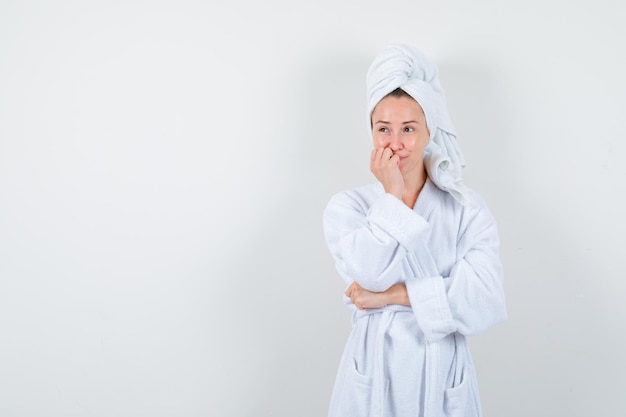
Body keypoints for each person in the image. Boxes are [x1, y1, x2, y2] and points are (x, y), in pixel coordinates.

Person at [322, 43, 507, 417]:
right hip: (374, 372)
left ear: (429, 132)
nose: (395, 143)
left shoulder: (464, 208)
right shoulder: (349, 207)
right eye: (383, 129)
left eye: (408, 129)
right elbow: (369, 274)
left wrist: (391, 297)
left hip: (440, 376)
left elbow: (486, 301)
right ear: (371, 133)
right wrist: (391, 195)